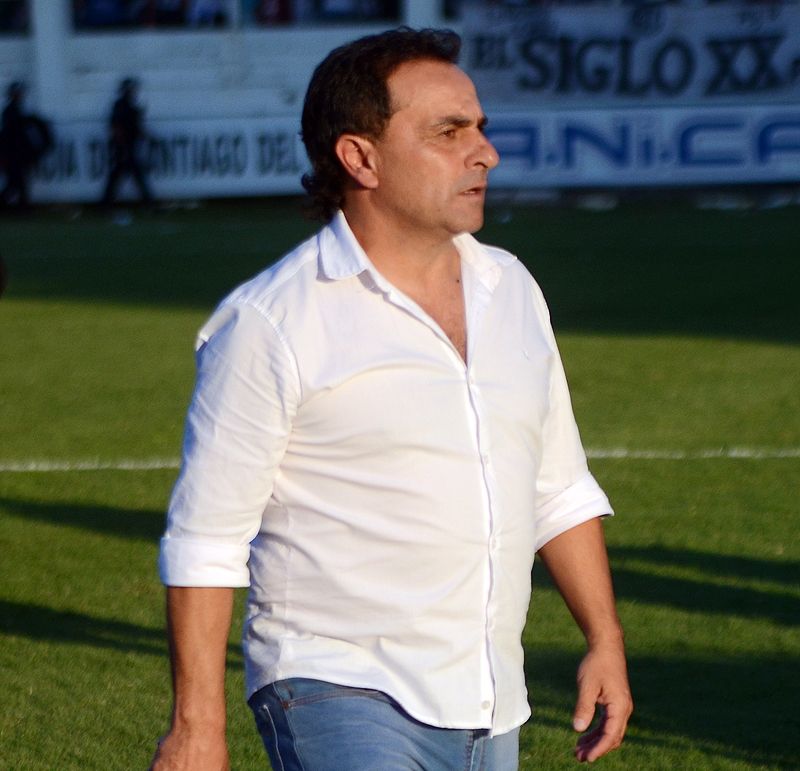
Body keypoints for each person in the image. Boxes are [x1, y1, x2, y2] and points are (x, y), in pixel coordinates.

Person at [151, 27, 632, 771]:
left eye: (480, 128)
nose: (485, 152)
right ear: (360, 157)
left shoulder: (511, 289)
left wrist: (604, 639)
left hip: (489, 699)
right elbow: (206, 538)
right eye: (448, 131)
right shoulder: (272, 321)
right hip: (333, 684)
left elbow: (558, 486)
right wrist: (196, 728)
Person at [101, 77, 154, 209]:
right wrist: (122, 145)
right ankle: (148, 203)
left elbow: (135, 127)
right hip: (124, 146)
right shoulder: (121, 106)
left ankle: (106, 204)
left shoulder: (129, 106)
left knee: (123, 175)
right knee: (129, 175)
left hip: (127, 145)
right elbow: (117, 127)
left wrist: (145, 136)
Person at [1, 81, 51, 212]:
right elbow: (12, 133)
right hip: (13, 154)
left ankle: (23, 206)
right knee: (16, 182)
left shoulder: (16, 111)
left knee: (18, 182)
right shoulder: (11, 112)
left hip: (16, 154)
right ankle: (22, 206)